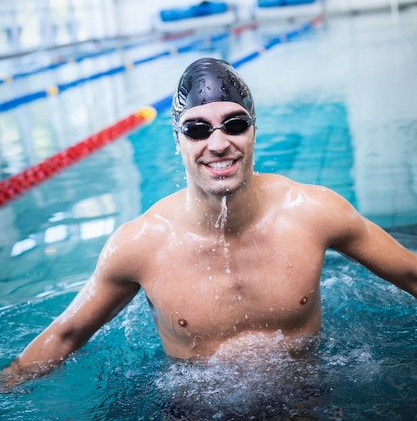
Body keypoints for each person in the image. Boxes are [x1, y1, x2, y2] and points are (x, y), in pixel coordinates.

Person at [2, 57, 417, 388]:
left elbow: (409, 272)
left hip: (306, 396)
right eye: (197, 130)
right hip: (191, 407)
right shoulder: (139, 245)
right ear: (177, 139)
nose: (218, 144)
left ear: (254, 131)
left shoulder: (314, 211)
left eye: (234, 125)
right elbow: (66, 335)